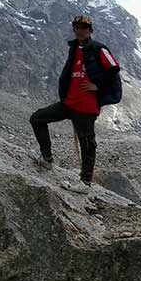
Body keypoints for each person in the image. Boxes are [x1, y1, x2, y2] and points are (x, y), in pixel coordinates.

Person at [29, 15, 121, 191]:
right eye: (77, 27)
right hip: (69, 103)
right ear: (74, 29)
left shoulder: (98, 48)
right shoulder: (74, 48)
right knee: (37, 118)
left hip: (86, 107)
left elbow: (114, 68)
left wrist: (97, 85)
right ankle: (46, 158)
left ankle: (85, 182)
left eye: (84, 28)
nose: (80, 30)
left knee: (87, 143)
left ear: (90, 30)